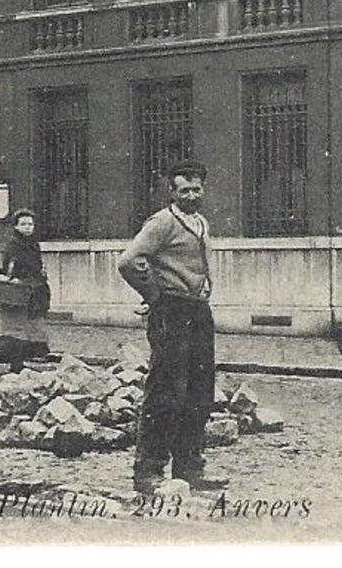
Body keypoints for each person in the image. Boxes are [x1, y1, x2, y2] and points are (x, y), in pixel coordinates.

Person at [118, 160, 227, 494]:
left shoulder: (200, 222)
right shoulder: (163, 222)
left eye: (197, 189)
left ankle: (189, 468)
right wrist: (155, 297)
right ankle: (148, 472)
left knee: (199, 391)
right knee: (166, 392)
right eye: (185, 190)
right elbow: (129, 261)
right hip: (172, 312)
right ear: (171, 191)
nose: (192, 195)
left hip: (198, 310)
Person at [0, 209, 50, 372]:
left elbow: (37, 265)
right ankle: (15, 363)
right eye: (23, 224)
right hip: (17, 291)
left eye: (30, 224)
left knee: (30, 325)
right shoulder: (13, 245)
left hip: (33, 290)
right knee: (15, 327)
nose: (27, 227)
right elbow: (7, 266)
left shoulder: (34, 245)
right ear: (15, 226)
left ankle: (24, 359)